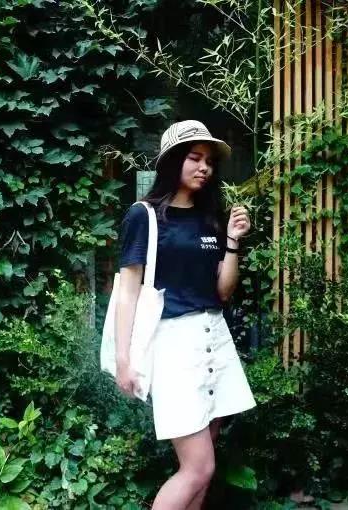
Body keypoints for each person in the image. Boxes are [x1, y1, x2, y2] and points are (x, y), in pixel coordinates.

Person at [115, 120, 257, 509]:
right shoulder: (144, 216)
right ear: (172, 160)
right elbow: (128, 290)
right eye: (194, 157)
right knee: (198, 468)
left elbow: (222, 291)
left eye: (209, 161)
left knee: (206, 457)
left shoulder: (210, 217)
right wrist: (123, 359)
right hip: (173, 345)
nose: (204, 167)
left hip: (214, 337)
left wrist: (232, 241)